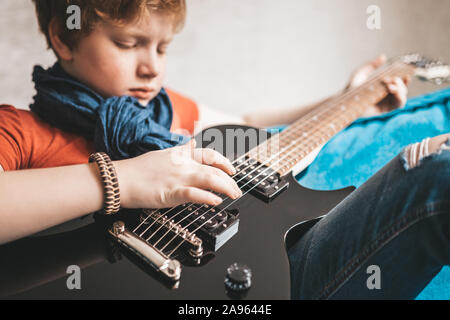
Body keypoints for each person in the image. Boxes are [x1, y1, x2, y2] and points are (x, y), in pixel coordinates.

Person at [0, 0, 448, 299]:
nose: (151, 66)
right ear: (63, 37)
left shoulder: (165, 108)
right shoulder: (21, 131)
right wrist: (126, 179)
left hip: (274, 277)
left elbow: (249, 125)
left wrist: (348, 99)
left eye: (162, 47)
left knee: (436, 173)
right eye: (128, 43)